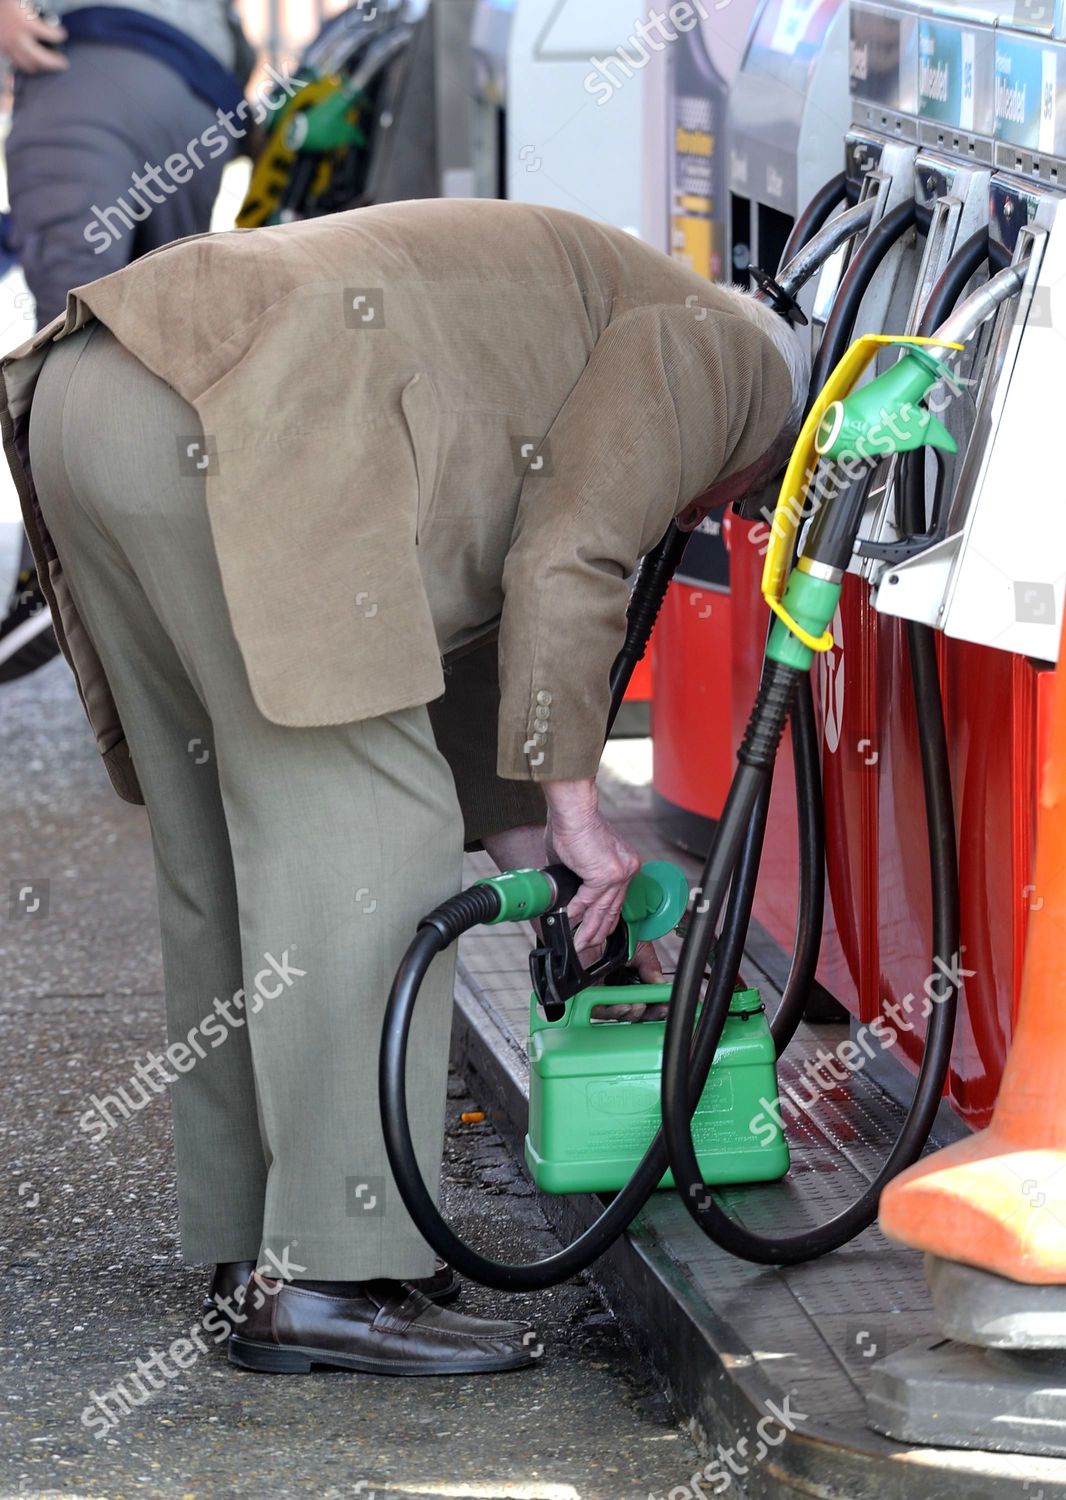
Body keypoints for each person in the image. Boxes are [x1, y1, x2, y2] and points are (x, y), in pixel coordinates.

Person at [1, 197, 809, 1377]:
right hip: (258, 417)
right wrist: (585, 816)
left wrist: (539, 850)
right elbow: (568, 557)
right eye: (736, 503)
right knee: (370, 840)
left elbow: (466, 633)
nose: (711, 515)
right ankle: (332, 1275)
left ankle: (254, 1252)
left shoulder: (573, 299)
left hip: (98, 391)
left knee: (226, 839)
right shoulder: (734, 357)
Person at [0, 0, 253, 680]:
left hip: (86, 69)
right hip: (198, 97)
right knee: (155, 343)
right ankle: (165, 584)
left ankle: (56, 575)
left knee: (71, 338)